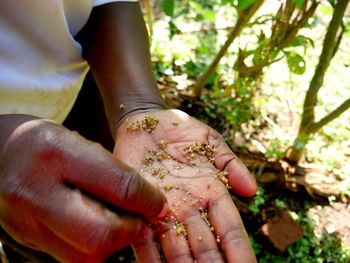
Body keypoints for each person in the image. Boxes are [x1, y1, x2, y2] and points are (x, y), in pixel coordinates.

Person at [0, 0, 258, 262]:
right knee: (52, 238)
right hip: (8, 164)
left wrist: (139, 108)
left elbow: (108, 3)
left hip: (83, 88)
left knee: (114, 205)